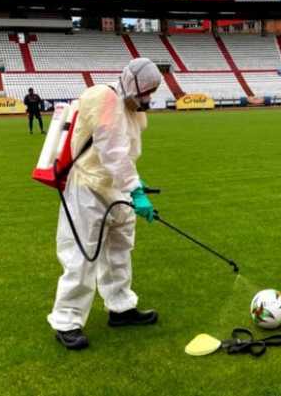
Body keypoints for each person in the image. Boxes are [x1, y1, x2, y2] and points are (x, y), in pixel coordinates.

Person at [48, 58, 162, 350]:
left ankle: (121, 307)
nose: (147, 99)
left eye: (151, 93)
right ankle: (67, 320)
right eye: (145, 92)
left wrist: (135, 183)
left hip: (116, 189)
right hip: (87, 187)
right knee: (82, 255)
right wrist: (135, 190)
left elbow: (125, 154)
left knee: (120, 250)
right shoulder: (105, 98)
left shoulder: (131, 109)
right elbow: (110, 150)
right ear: (130, 83)